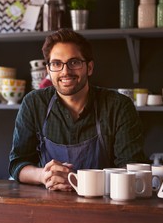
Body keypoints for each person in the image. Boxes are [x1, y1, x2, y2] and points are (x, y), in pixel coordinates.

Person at [8, 28, 147, 191]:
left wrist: (80, 180)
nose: (65, 71)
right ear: (48, 70)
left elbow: (133, 170)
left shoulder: (118, 106)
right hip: (47, 206)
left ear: (89, 67)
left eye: (74, 62)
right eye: (56, 64)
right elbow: (17, 164)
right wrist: (43, 175)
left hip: (105, 208)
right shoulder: (34, 103)